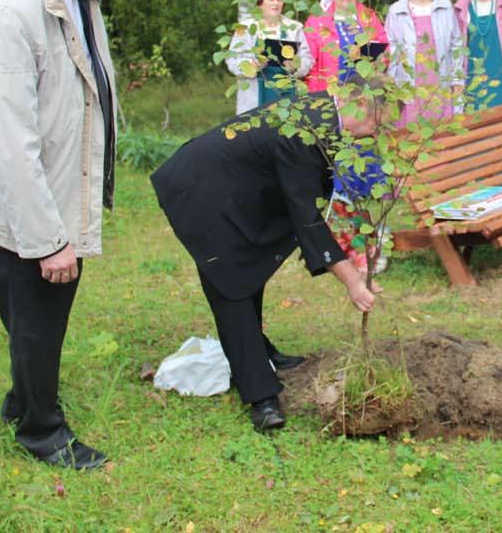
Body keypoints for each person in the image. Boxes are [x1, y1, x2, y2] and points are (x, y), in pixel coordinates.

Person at [0, 0, 129, 469]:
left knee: (28, 311)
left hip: (53, 179)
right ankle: (42, 431)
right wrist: (48, 238)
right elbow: (7, 140)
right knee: (36, 312)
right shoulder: (10, 3)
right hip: (30, 196)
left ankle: (21, 398)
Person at [150, 80, 384, 431]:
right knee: (230, 283)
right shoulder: (306, 129)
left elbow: (311, 195)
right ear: (358, 104)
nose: (379, 129)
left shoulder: (325, 118)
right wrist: (352, 280)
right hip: (200, 189)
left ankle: (258, 349)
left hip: (233, 187)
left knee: (249, 263)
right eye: (378, 119)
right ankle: (261, 396)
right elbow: (305, 214)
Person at [305, 0, 390, 275]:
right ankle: (343, 242)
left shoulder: (367, 17)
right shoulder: (317, 21)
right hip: (336, 105)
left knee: (368, 171)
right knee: (340, 171)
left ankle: (377, 237)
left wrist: (374, 58)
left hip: (365, 103)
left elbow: (384, 50)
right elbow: (309, 62)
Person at [385, 0, 463, 126]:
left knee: (441, 131)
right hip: (409, 82)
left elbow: (456, 45)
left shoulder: (445, 7)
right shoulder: (396, 11)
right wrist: (390, 81)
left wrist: (458, 80)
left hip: (439, 79)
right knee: (411, 135)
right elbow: (391, 49)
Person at [226, 0, 314, 114]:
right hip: (254, 98)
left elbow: (308, 60)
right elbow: (232, 61)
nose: (276, 3)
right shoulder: (245, 28)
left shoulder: (294, 28)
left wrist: (296, 66)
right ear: (261, 3)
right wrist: (252, 66)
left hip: (286, 95)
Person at [304, 0, 388, 92]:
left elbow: (385, 48)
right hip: (327, 90)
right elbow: (308, 59)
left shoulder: (370, 17)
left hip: (365, 91)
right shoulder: (316, 22)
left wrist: (379, 63)